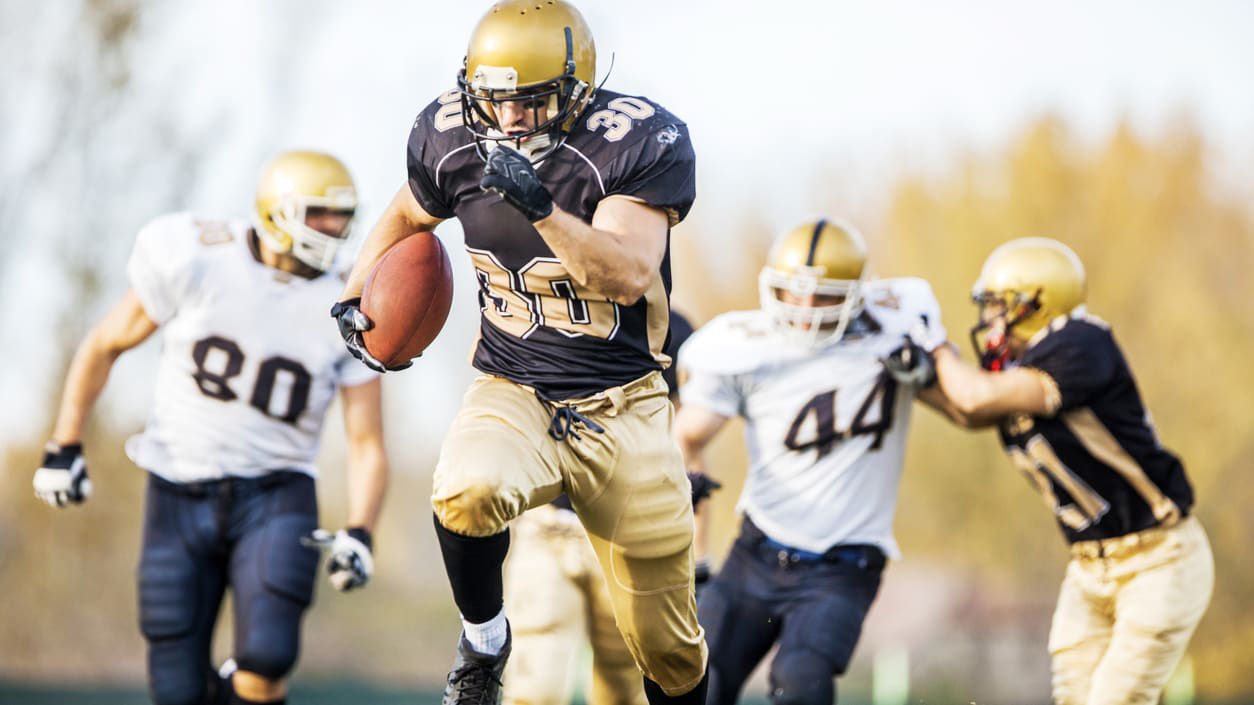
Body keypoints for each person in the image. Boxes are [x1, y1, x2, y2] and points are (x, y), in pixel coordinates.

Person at [330, 2, 708, 703]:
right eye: (494, 99)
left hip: (624, 401)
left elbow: (626, 273)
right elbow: (411, 211)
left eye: (529, 101)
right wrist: (360, 295)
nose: (509, 119)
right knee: (463, 490)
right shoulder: (450, 137)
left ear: (575, 91)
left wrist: (541, 209)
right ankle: (483, 640)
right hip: (516, 383)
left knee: (669, 652)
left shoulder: (633, 143)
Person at [33, 151, 389, 705]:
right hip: (179, 487)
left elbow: (366, 442)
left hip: (277, 492)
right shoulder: (197, 257)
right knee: (176, 691)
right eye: (318, 214)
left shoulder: (352, 299)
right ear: (277, 213)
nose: (333, 229)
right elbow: (105, 344)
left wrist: (361, 530)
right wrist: (64, 444)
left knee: (269, 656)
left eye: (340, 216)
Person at [920, 237, 1213, 705]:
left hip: (1157, 560)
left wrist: (936, 350)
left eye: (997, 306)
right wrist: (915, 378)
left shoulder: (1082, 343)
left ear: (1035, 303)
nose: (988, 319)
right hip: (1089, 567)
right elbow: (968, 413)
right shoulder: (1027, 363)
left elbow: (977, 397)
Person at [673, 218, 948, 705]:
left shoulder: (896, 326)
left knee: (801, 682)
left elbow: (965, 401)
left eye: (822, 297)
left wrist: (931, 368)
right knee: (697, 680)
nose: (804, 310)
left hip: (843, 565)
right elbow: (688, 436)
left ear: (857, 294)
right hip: (755, 554)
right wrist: (685, 520)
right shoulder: (744, 346)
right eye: (792, 294)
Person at [501, 312, 707, 705]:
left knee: (625, 689)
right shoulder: (538, 309)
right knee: (533, 688)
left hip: (628, 534)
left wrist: (698, 543)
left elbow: (689, 437)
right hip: (549, 527)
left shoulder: (671, 330)